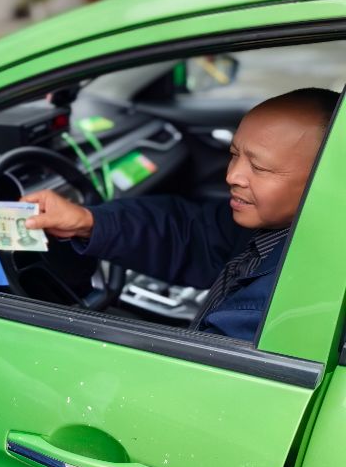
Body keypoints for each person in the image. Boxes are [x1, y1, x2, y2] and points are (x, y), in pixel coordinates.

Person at [23, 88, 339, 341]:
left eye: (259, 167)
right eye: (234, 155)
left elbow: (210, 382)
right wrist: (89, 221)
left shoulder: (277, 302)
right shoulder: (285, 228)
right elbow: (192, 233)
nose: (233, 176)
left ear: (325, 180)